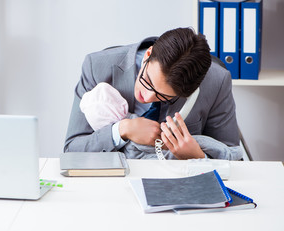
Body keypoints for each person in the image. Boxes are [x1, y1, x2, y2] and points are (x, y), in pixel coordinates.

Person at [64, 27, 242, 160]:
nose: (147, 97)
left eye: (163, 96)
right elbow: (72, 150)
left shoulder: (217, 81)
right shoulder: (96, 66)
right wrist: (122, 129)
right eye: (147, 81)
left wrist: (197, 157)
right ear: (148, 55)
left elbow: (235, 157)